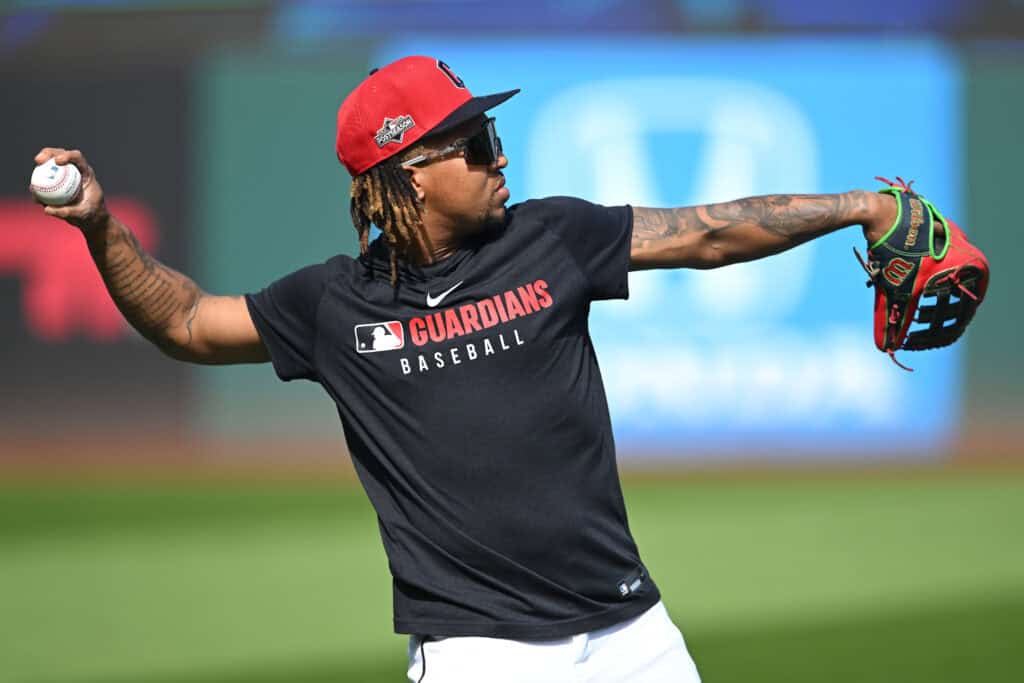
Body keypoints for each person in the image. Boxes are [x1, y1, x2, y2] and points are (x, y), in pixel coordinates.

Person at [34, 55, 900, 682]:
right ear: (410, 174)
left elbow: (710, 230)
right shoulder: (334, 305)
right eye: (477, 143)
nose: (501, 159)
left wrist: (862, 206)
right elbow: (186, 319)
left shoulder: (551, 237)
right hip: (479, 654)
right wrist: (100, 225)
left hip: (634, 630)